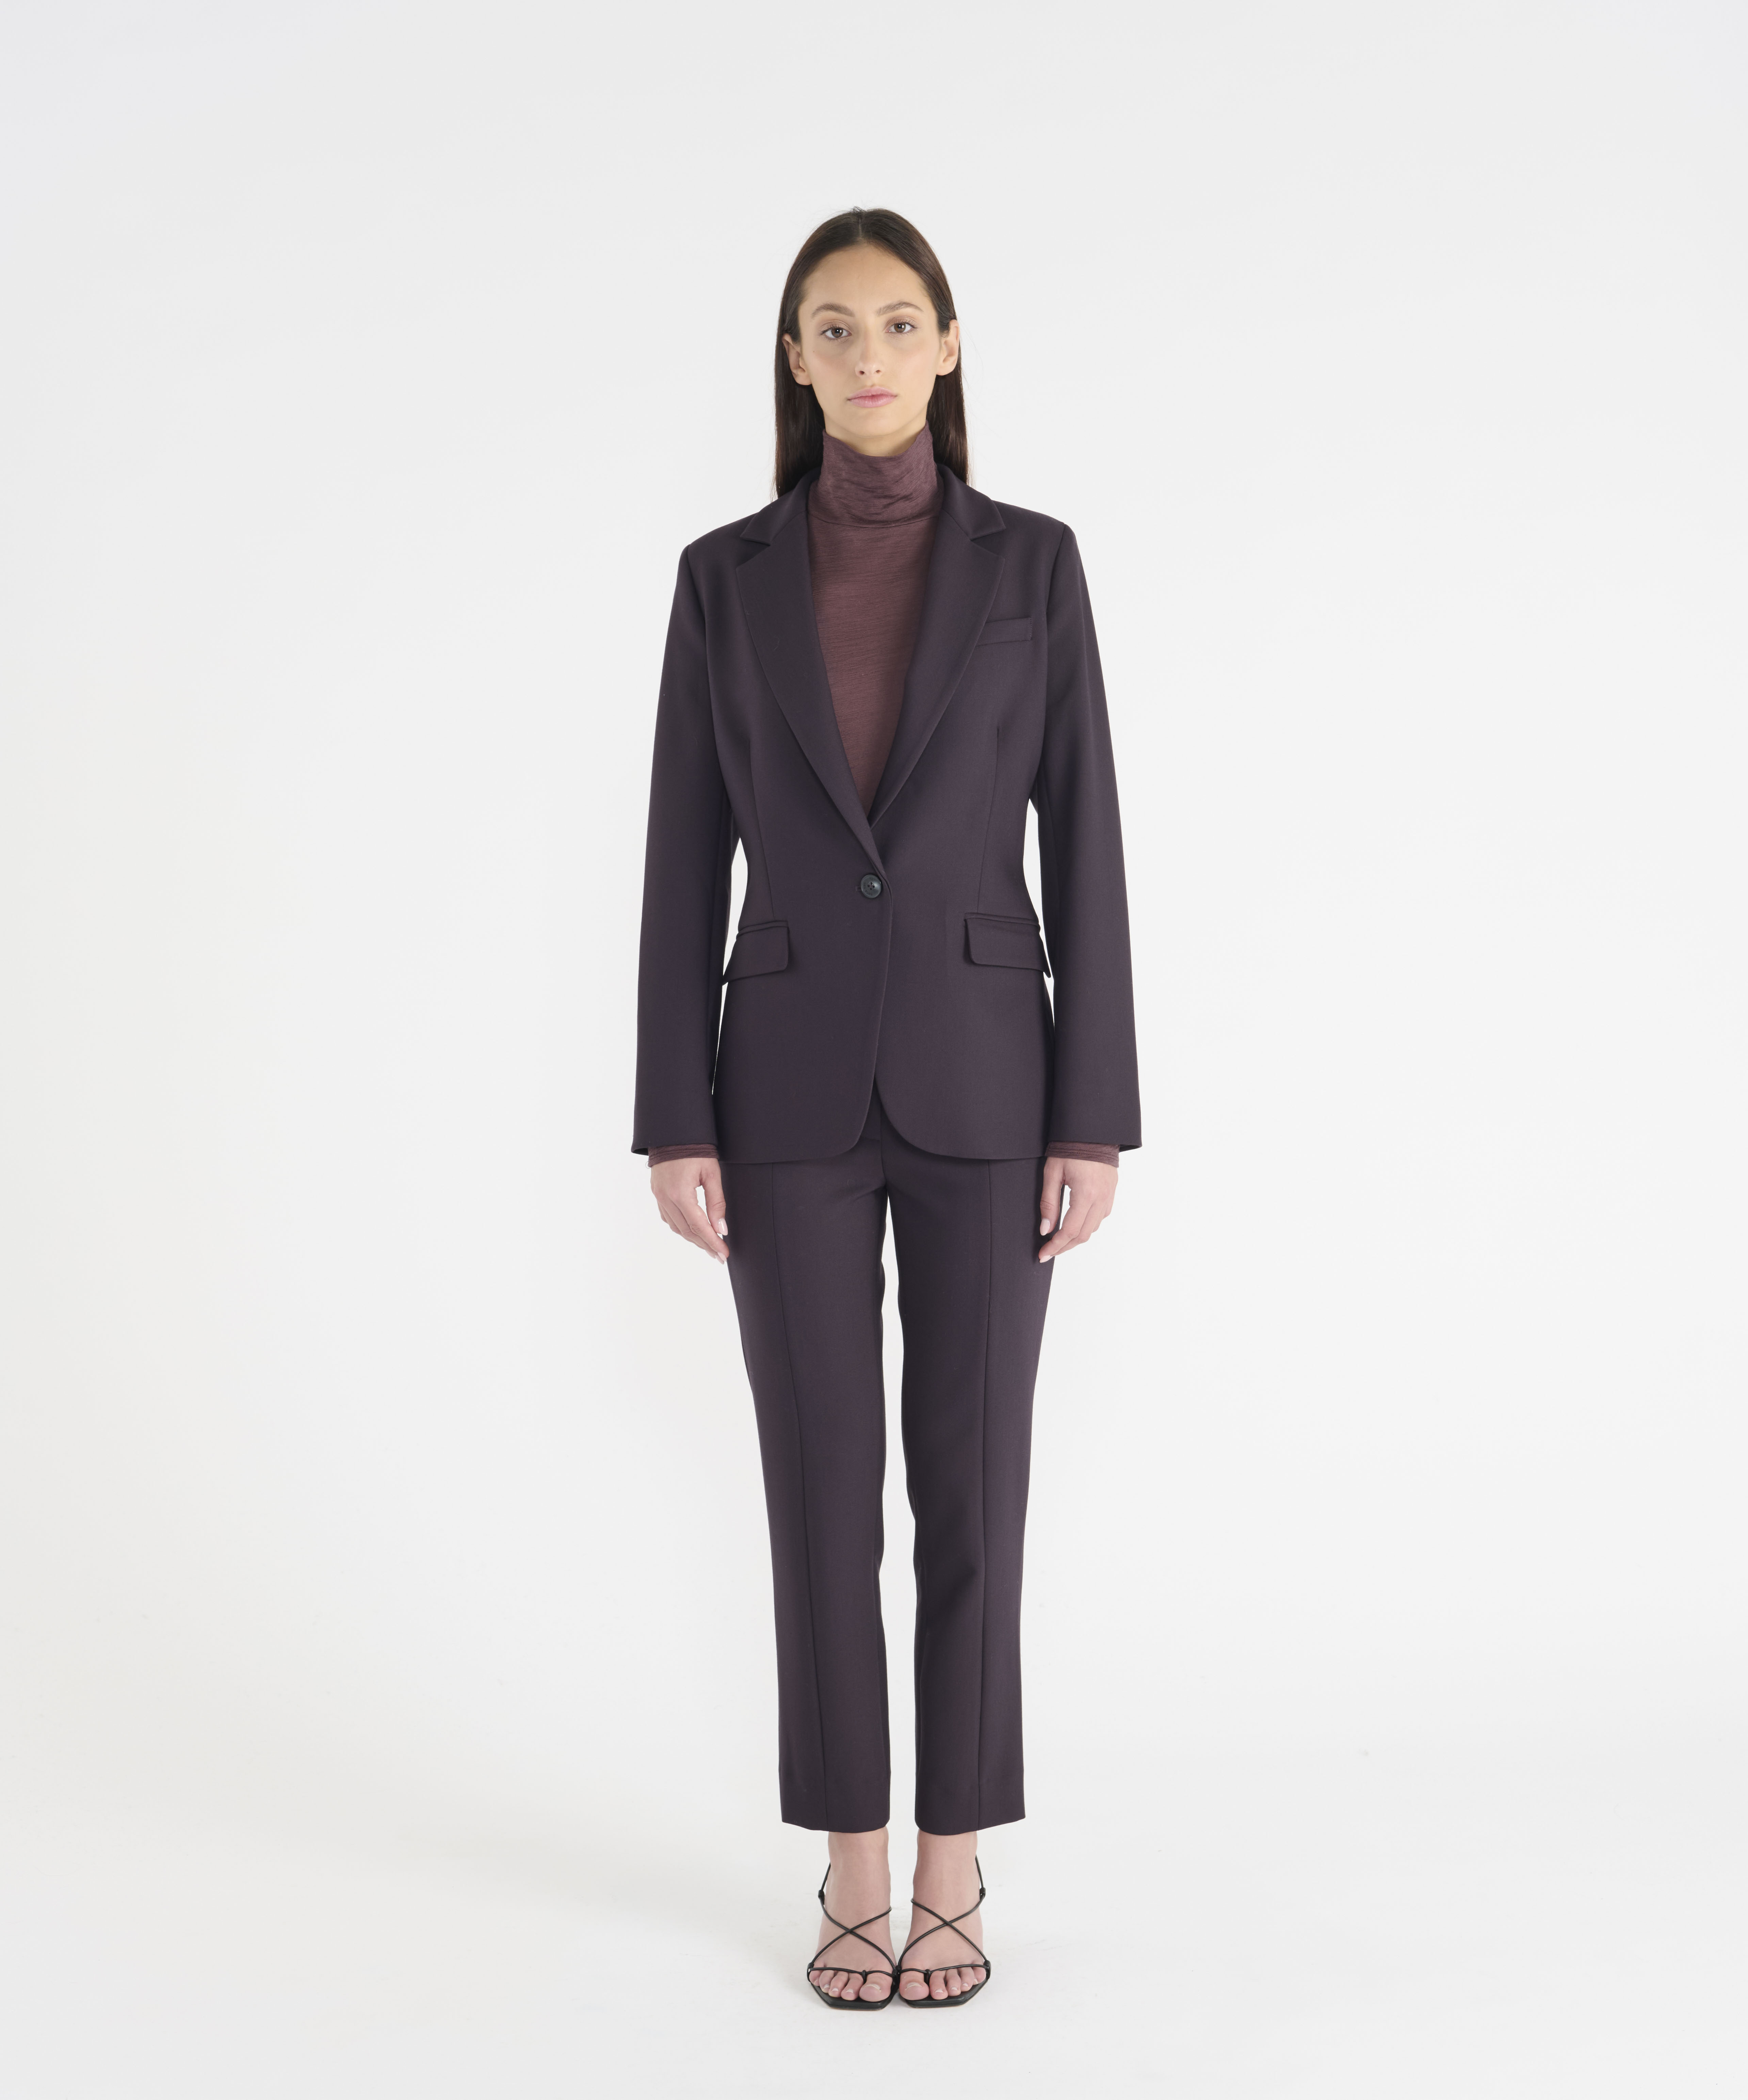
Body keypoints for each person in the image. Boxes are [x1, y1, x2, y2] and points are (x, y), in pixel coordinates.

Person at [632, 207, 1139, 2008]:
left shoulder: (1032, 565)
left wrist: (1092, 1113)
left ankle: (954, 1856)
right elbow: (683, 848)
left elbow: (1083, 832)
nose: (866, 353)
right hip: (777, 1091)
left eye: (898, 322)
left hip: (991, 1083)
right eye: (832, 326)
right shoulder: (722, 579)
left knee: (974, 1494)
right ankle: (852, 1852)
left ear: (947, 346)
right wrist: (672, 1113)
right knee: (819, 1493)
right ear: (793, 358)